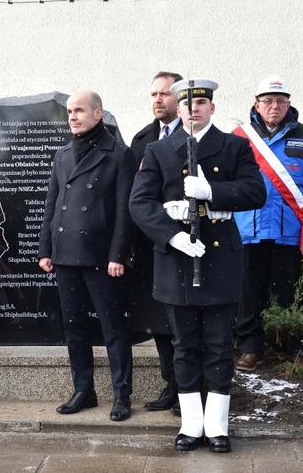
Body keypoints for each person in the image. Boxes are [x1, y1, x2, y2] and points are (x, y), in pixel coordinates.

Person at [130, 78, 266, 453]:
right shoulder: (159, 150)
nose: (195, 109)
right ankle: (191, 425)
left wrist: (213, 192)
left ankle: (217, 427)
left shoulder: (234, 146)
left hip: (221, 257)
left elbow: (257, 192)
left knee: (220, 345)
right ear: (180, 107)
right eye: (188, 103)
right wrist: (171, 235)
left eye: (202, 102)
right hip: (176, 259)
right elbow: (139, 203)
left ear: (212, 108)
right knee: (185, 345)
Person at [38, 90, 136, 422]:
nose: (73, 117)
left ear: (98, 114)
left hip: (100, 257)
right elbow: (52, 206)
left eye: (79, 110)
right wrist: (45, 249)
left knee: (114, 328)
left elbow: (125, 211)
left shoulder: (119, 153)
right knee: (74, 327)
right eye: (69, 112)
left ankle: (122, 395)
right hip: (66, 254)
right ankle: (84, 390)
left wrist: (118, 255)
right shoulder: (63, 153)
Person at [233, 75, 303, 374]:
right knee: (249, 293)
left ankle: (298, 349)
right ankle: (250, 348)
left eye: (280, 100)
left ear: (288, 104)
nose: (274, 106)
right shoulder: (238, 137)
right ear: (257, 104)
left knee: (290, 292)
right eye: (267, 101)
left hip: (290, 231)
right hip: (248, 230)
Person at [129, 71, 183, 416]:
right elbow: (132, 196)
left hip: (185, 245)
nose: (157, 100)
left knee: (184, 321)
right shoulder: (142, 139)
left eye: (164, 93)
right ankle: (171, 385)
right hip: (151, 246)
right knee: (161, 321)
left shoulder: (195, 137)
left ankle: (190, 387)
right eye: (153, 94)